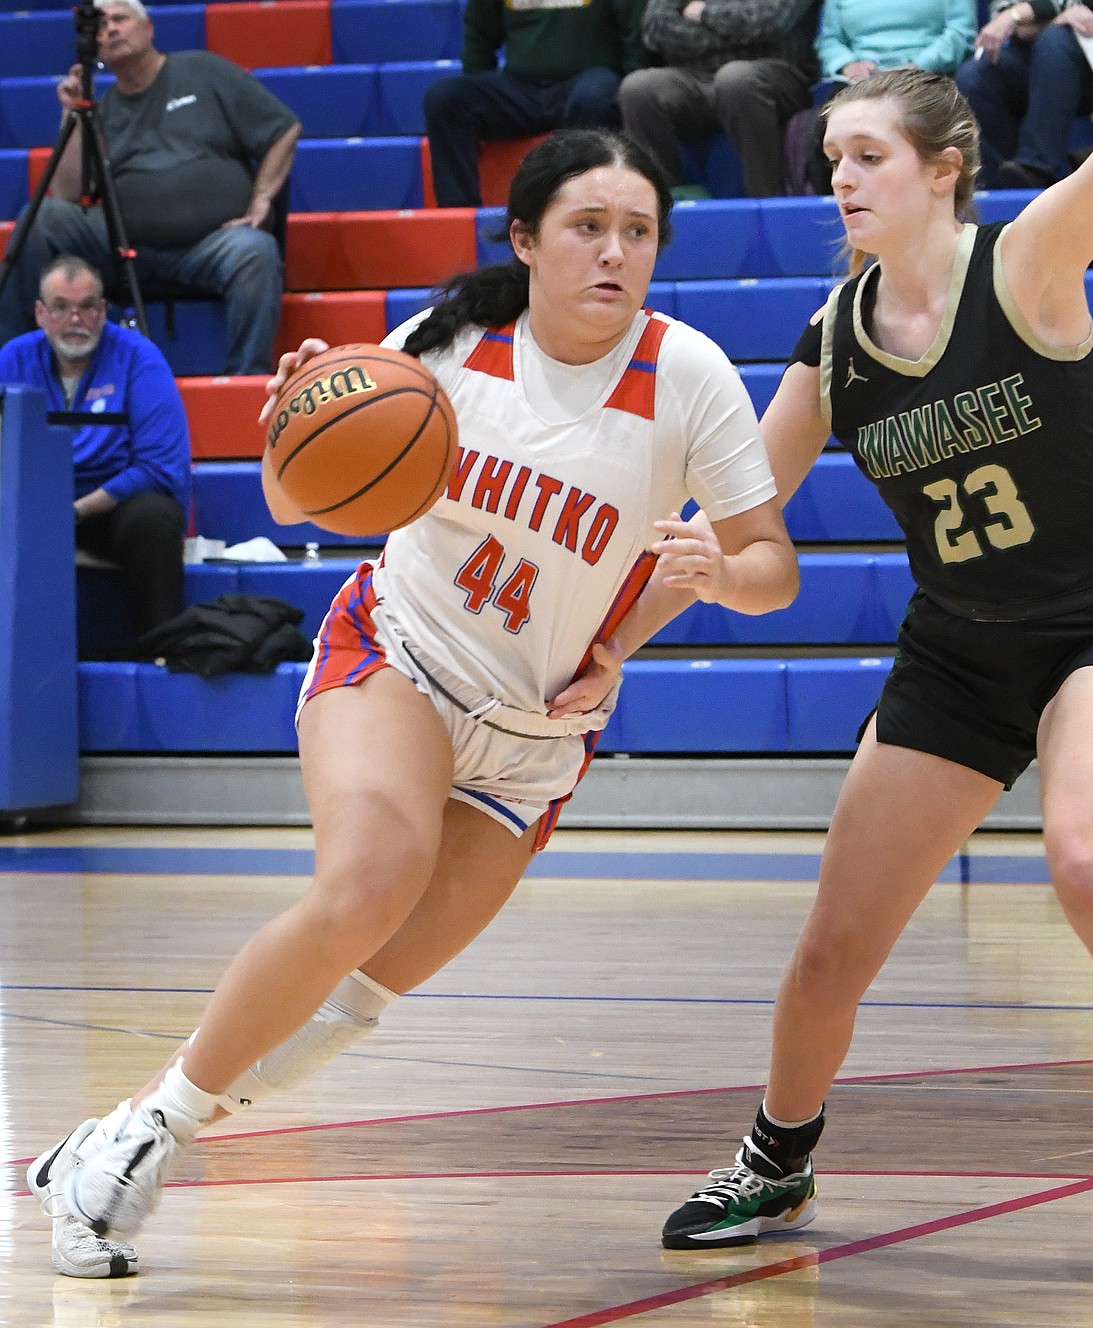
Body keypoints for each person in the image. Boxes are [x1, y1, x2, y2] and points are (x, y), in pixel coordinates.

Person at [25, 128, 800, 1278]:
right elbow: (301, 497)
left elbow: (768, 569)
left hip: (535, 732)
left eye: (637, 232)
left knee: (355, 998)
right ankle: (147, 1141)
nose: (614, 253)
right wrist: (296, 415)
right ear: (526, 238)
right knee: (366, 883)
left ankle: (121, 1124)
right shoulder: (448, 339)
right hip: (399, 652)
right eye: (588, 227)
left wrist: (703, 581)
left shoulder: (683, 374)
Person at [633, 65, 1093, 1250]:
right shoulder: (830, 340)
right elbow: (743, 539)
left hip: (1088, 626)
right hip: (955, 652)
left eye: (866, 156)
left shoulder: (1023, 261)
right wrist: (625, 636)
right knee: (834, 940)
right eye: (830, 157)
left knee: (1085, 854)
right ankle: (775, 1161)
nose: (837, 176)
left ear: (941, 171)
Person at [0, 0, 300, 375]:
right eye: (102, 24)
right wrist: (72, 114)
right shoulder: (99, 108)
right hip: (124, 245)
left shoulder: (203, 70)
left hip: (211, 244)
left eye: (120, 19)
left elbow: (284, 128)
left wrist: (261, 199)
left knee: (256, 252)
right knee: (42, 217)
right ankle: (9, 366)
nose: (109, 29)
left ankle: (247, 379)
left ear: (148, 28)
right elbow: (68, 195)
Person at [0, 253, 190, 651]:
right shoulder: (13, 360)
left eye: (87, 307)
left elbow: (159, 467)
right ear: (39, 313)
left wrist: (76, 510)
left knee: (155, 516)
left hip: (110, 510)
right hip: (30, 507)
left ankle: (162, 653)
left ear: (103, 312)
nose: (75, 319)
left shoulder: (140, 359)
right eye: (61, 307)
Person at [422, 0, 647, 207]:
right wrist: (476, 80)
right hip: (521, 89)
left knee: (592, 97)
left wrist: (630, 90)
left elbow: (633, 31)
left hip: (587, 83)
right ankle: (459, 214)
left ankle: (586, 205)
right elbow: (479, 33)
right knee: (445, 98)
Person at [617, 0, 821, 201]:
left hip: (775, 73)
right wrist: (733, 37)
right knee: (638, 88)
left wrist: (703, 13)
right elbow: (656, 29)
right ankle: (661, 204)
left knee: (735, 79)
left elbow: (768, 22)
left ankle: (767, 202)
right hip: (696, 75)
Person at [790, 0, 976, 194]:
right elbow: (829, 40)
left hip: (928, 74)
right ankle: (834, 201)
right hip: (858, 80)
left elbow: (960, 32)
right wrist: (848, 65)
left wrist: (919, 65)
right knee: (826, 120)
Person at [955, 1, 1093, 190]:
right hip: (1034, 48)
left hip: (1088, 59)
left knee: (1054, 42)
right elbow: (1007, 23)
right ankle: (1000, 185)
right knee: (974, 77)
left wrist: (1017, 15)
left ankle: (1039, 168)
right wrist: (1047, 18)